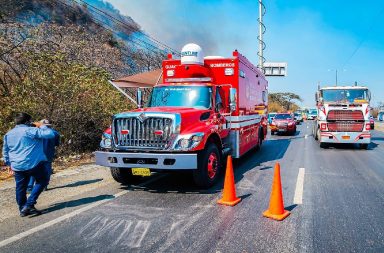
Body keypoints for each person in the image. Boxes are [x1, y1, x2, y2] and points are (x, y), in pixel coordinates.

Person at [2, 113, 55, 217]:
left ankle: (22, 209)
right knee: (43, 180)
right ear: (27, 121)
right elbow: (50, 134)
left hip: (17, 165)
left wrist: (9, 164)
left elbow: (5, 151)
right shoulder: (31, 130)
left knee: (20, 187)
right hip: (33, 163)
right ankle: (29, 205)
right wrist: (41, 125)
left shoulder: (8, 134)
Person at [27, 119, 60, 191]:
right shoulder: (55, 133)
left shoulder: (37, 132)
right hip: (49, 154)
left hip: (36, 154)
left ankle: (29, 186)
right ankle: (44, 186)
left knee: (33, 169)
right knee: (47, 170)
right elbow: (56, 144)